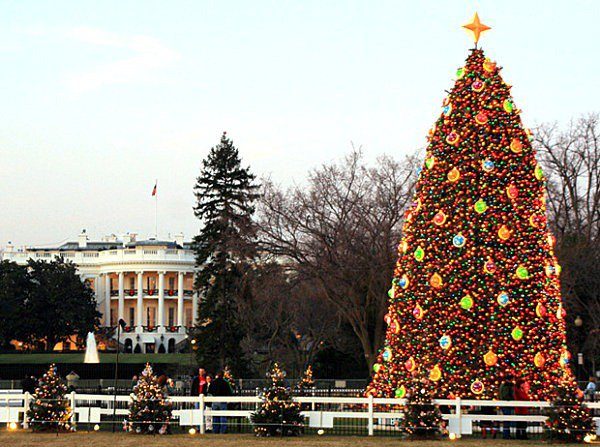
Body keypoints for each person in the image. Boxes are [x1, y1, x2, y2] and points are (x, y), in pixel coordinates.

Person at [498, 374, 515, 439]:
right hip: (506, 404)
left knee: (507, 419)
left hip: (504, 404)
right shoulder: (506, 386)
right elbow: (505, 396)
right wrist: (511, 399)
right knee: (507, 420)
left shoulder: (504, 385)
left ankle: (506, 434)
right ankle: (506, 435)